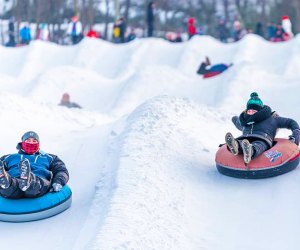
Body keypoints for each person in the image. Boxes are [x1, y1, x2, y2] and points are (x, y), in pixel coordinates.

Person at [225, 92, 300, 164]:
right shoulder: (245, 121)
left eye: (253, 111)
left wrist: (296, 131)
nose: (251, 113)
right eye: (249, 111)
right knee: (241, 142)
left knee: (259, 145)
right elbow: (238, 123)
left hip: (262, 138)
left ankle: (250, 150)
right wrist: (234, 118)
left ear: (259, 110)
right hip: (245, 138)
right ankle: (236, 145)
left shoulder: (272, 119)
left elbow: (290, 122)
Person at [0, 131, 69, 199]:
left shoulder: (49, 157)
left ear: (38, 143)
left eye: (34, 141)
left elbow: (61, 170)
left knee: (35, 184)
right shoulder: (9, 157)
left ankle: (28, 180)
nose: (31, 143)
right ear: (22, 142)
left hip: (39, 179)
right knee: (12, 185)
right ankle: (6, 182)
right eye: (28, 140)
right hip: (14, 178)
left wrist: (58, 181)